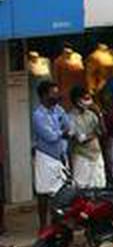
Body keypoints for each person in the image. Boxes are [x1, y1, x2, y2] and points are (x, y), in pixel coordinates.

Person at [32, 81, 71, 227]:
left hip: (61, 155)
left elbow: (69, 126)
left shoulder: (58, 110)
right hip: (45, 156)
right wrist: (61, 132)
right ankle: (43, 225)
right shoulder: (38, 114)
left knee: (61, 193)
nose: (56, 96)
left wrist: (61, 132)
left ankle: (57, 224)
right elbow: (50, 136)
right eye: (52, 93)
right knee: (43, 191)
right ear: (43, 96)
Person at [67, 87, 105, 189]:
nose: (89, 101)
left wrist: (99, 114)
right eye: (86, 98)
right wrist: (94, 134)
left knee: (98, 186)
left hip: (96, 155)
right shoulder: (70, 117)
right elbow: (80, 139)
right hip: (81, 156)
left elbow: (103, 131)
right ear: (77, 101)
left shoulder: (92, 114)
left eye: (89, 98)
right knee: (82, 187)